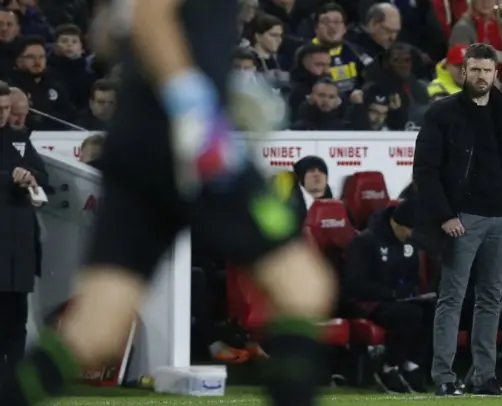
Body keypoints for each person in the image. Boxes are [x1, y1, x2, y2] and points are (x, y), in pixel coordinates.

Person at [0, 2, 336, 406]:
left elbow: (110, 33)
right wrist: (194, 108)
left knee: (94, 329)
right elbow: (151, 16)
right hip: (183, 144)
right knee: (302, 285)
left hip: (140, 143)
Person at [412, 43, 502, 396]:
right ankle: (445, 378)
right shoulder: (442, 113)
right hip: (462, 218)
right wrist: (445, 215)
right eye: (475, 70)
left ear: (496, 73)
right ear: (463, 72)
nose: (481, 76)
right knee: (452, 297)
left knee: (490, 298)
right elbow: (425, 170)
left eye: (487, 70)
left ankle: (484, 377)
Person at [344, 198, 432, 394]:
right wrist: (390, 293)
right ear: (395, 223)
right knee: (408, 314)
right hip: (365, 301)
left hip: (395, 299)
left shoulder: (410, 243)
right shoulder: (365, 241)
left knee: (433, 311)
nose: (411, 235)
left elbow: (412, 277)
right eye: (408, 229)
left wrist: (407, 291)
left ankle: (412, 366)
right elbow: (354, 283)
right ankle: (389, 368)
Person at [0, 80, 48, 384]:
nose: (3, 115)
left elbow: (44, 174)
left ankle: (16, 379)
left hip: (18, 240)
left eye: (5, 108)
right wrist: (9, 177)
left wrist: (30, 176)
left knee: (16, 316)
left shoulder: (19, 138)